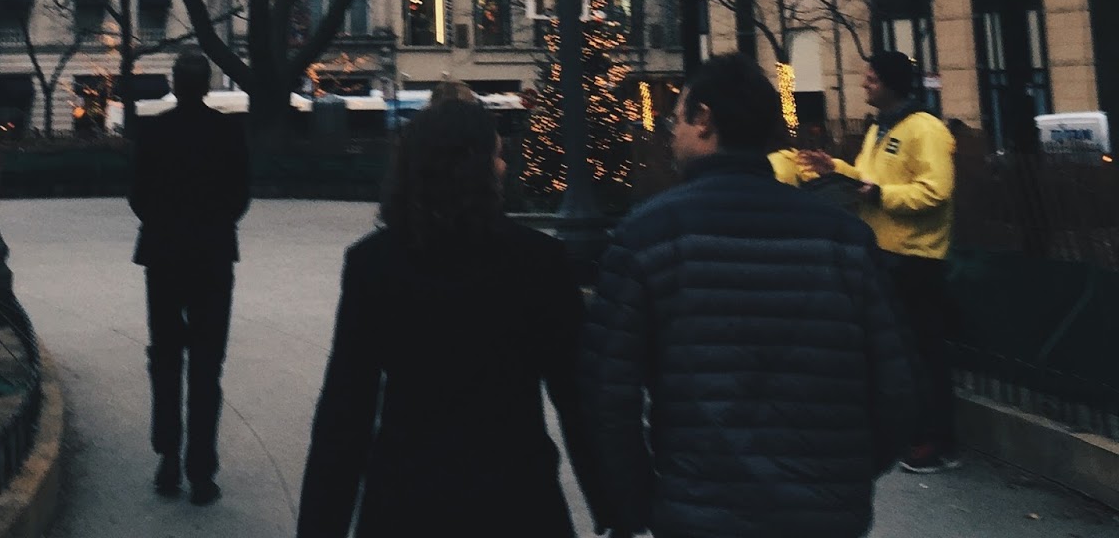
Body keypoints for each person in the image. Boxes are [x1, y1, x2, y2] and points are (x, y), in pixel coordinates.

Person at [584, 54, 913, 538]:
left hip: (700, 508)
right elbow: (896, 384)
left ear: (704, 119)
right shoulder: (844, 238)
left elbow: (607, 394)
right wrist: (847, 476)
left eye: (676, 119)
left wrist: (638, 503)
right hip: (824, 511)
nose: (671, 133)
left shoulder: (646, 235)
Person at [297, 98, 590, 538]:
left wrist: (321, 524)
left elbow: (347, 406)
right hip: (516, 495)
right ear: (477, 167)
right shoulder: (539, 261)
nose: (503, 165)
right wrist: (611, 501)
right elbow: (576, 394)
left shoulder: (373, 263)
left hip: (406, 497)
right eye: (497, 154)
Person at [799, 50, 958, 473]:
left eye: (870, 78)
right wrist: (836, 168)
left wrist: (880, 195)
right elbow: (870, 181)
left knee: (922, 351)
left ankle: (936, 441)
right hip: (886, 253)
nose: (864, 84)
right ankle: (919, 434)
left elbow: (935, 190)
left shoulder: (925, 129)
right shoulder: (880, 128)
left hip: (916, 257)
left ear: (889, 82)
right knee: (901, 349)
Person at [128, 49, 251, 505]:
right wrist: (215, 225)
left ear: (175, 85)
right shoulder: (228, 131)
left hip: (164, 255)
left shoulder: (154, 131)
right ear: (207, 85)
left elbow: (137, 194)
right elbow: (241, 194)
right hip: (212, 256)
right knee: (206, 365)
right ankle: (201, 471)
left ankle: (167, 457)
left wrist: (163, 224)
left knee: (164, 358)